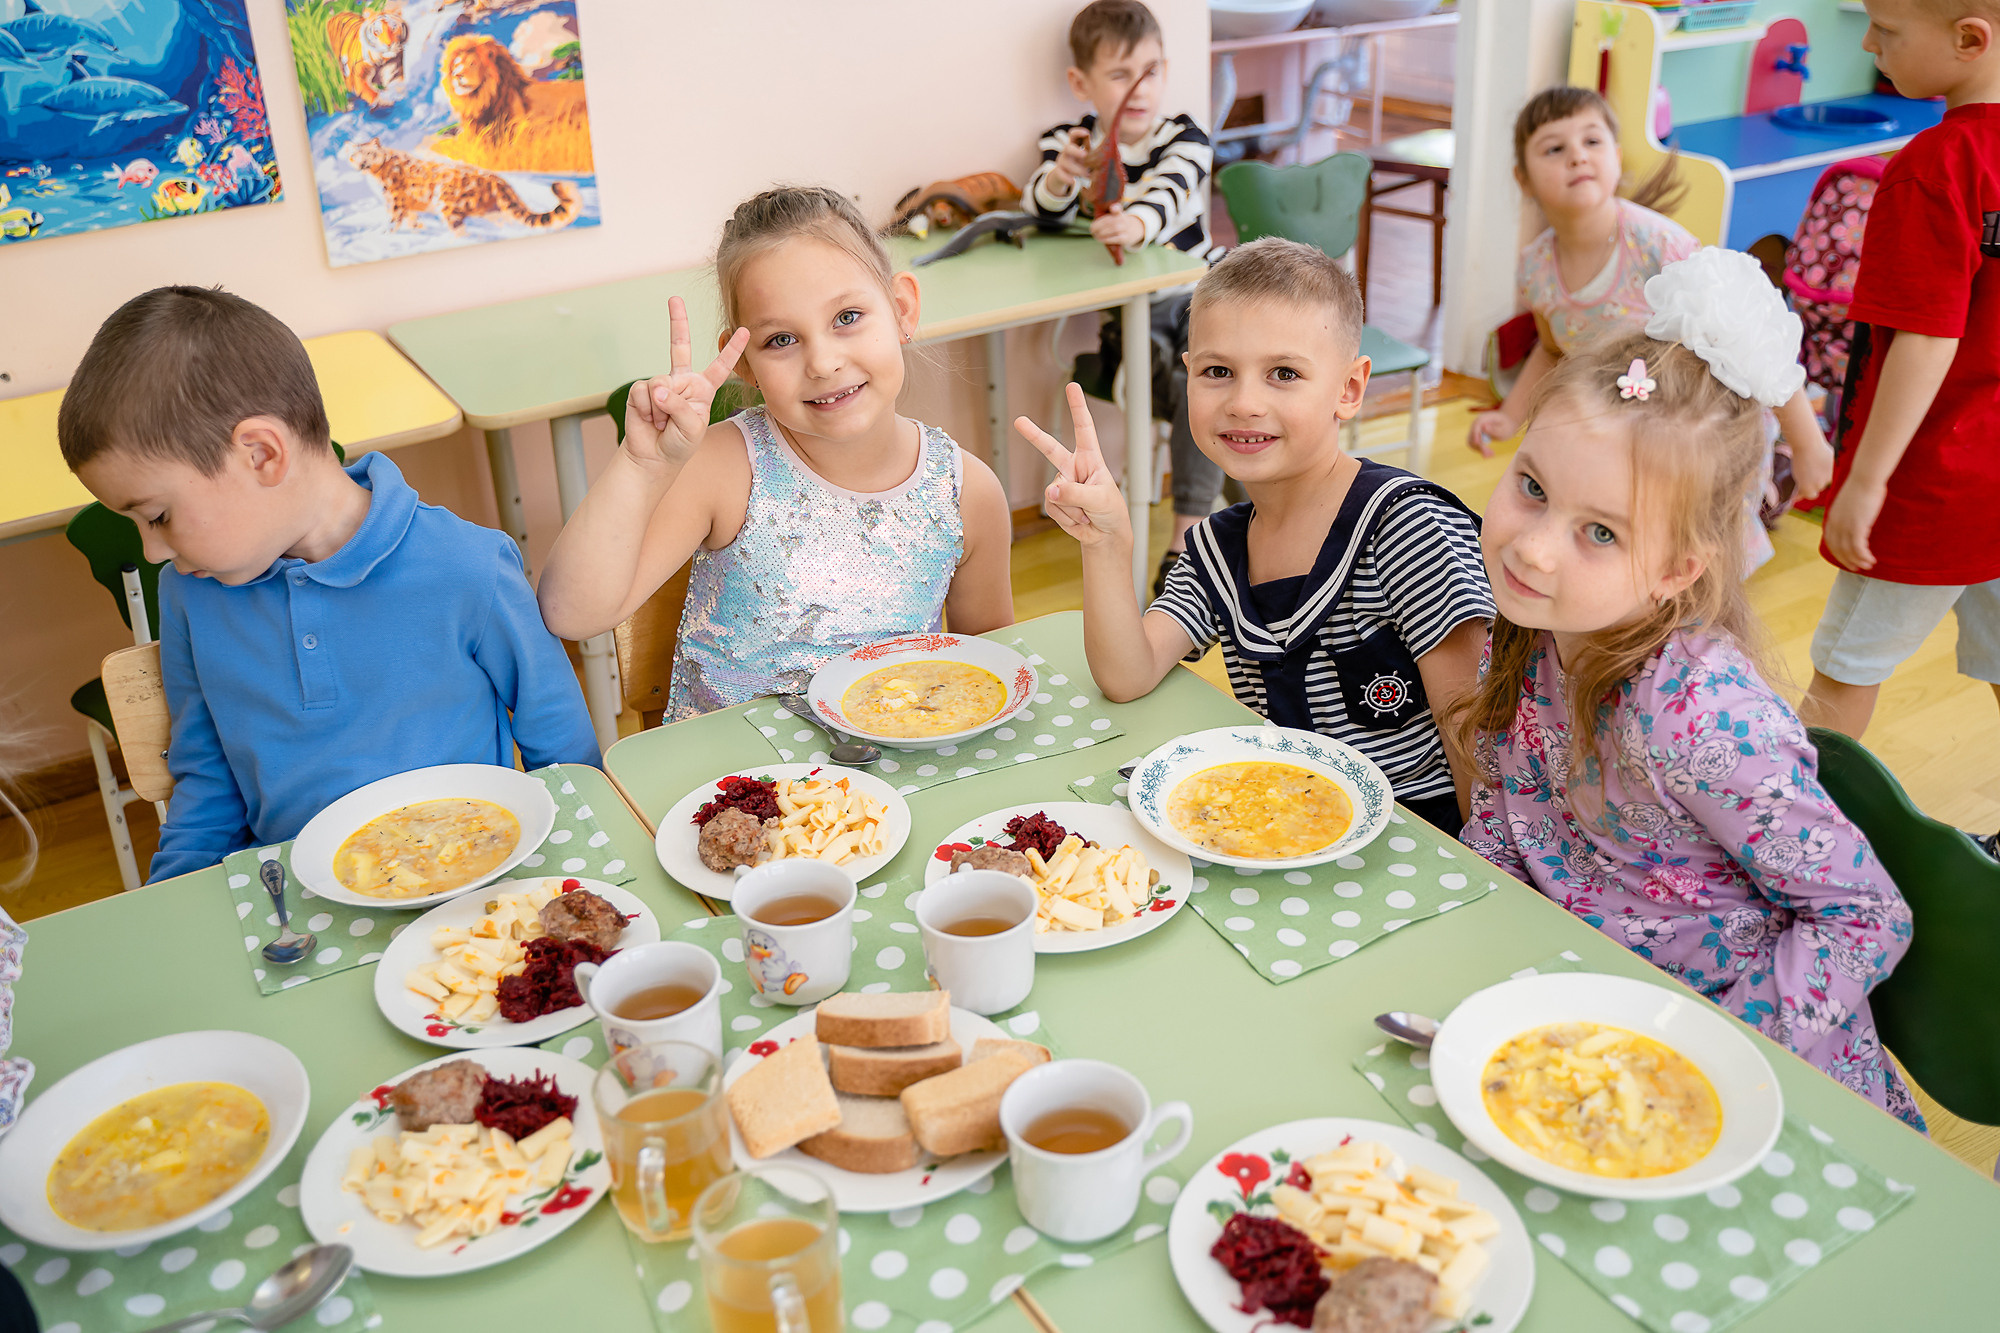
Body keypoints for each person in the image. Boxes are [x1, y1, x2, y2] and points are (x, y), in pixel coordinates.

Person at [1455, 250, 1923, 1128]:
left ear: (1678, 569)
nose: (1533, 547)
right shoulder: (1527, 631)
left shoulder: (1700, 717)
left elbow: (1866, 917)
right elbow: (1509, 824)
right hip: (1586, 1032)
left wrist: (1691, 1052)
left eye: (1598, 531)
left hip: (1749, 1085)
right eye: (1531, 489)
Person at [59, 287, 599, 883]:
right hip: (296, 905)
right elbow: (208, 783)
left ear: (262, 454)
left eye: (158, 516)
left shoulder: (467, 565)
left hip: (475, 886)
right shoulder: (191, 593)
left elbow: (564, 756)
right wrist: (170, 901)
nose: (153, 551)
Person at [1015, 238, 1493, 829]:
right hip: (1281, 824)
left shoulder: (1407, 526)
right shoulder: (1217, 548)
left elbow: (1474, 731)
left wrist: (1489, 877)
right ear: (1186, 376)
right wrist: (1107, 543)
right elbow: (1127, 674)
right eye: (1218, 372)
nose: (1244, 402)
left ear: (1349, 388)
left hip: (1421, 833)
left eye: (1283, 374)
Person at [536, 186, 1013, 719]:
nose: (824, 362)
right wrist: (642, 465)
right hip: (733, 788)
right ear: (744, 365)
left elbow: (990, 677)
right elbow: (569, 614)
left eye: (848, 317)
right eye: (781, 340)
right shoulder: (724, 470)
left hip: (891, 785)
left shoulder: (965, 492)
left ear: (901, 309)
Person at [1469, 88, 1832, 557]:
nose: (1577, 156)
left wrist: (1808, 441)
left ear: (1617, 157)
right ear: (1523, 178)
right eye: (1555, 148)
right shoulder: (1536, 267)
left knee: (1691, 553)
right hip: (1618, 427)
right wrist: (1510, 413)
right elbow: (1552, 348)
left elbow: (1749, 333)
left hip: (1696, 426)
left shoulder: (1658, 245)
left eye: (1592, 142)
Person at [1803, 0, 2000, 859]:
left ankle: (1780, 841)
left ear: (1969, 38)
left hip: (1934, 483)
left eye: (1886, 28)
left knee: (1841, 677)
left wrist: (1869, 479)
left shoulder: (1936, 165)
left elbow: (1928, 333)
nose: (1868, 42)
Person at [1022, 0, 1225, 595]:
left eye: (1152, 71)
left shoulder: (1183, 136)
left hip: (1197, 304)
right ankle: (1230, 474)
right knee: (1198, 389)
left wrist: (1134, 223)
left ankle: (1188, 531)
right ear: (1081, 83)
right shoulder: (1073, 141)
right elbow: (1043, 207)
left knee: (1203, 382)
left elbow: (1169, 193)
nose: (1140, 88)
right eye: (1119, 75)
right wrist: (1062, 177)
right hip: (1128, 319)